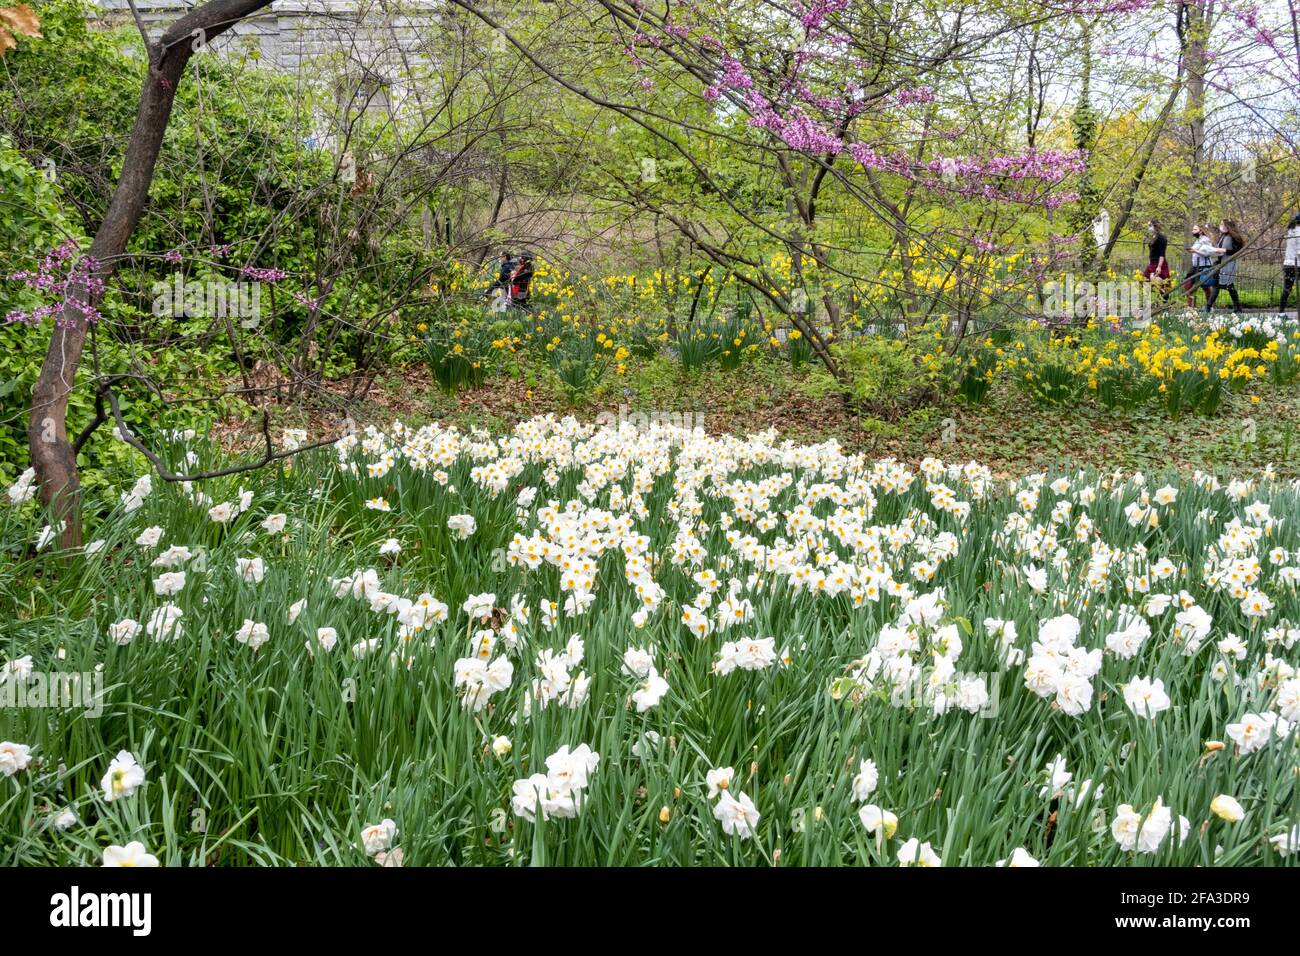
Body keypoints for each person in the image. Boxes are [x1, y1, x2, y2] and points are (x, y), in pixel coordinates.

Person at [1205, 219, 1245, 314]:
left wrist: (1225, 251)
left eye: (1222, 224)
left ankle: (1237, 308)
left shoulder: (1234, 237)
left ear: (1228, 226)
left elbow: (1236, 251)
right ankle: (1208, 307)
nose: (1221, 226)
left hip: (1229, 264)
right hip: (1220, 263)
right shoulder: (1223, 236)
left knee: (1229, 286)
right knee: (1217, 286)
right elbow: (1221, 249)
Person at [1183, 224, 1216, 309]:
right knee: (1188, 284)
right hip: (1195, 266)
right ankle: (1191, 307)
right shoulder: (1197, 240)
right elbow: (1196, 250)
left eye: (1195, 229)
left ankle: (1210, 306)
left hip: (1204, 266)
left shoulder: (1205, 240)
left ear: (1200, 231)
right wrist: (1191, 250)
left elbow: (1208, 253)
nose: (1192, 231)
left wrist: (1195, 250)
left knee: (1205, 286)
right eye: (1192, 229)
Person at [1143, 220, 1170, 304]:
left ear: (1155, 226)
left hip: (1158, 264)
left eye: (1150, 225)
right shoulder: (1153, 237)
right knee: (1145, 282)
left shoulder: (1162, 238)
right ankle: (1148, 303)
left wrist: (1159, 266)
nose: (1149, 228)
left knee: (1161, 285)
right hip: (1152, 263)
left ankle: (1163, 304)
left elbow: (1162, 254)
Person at [1281, 213, 1300, 312]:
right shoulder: (1299, 231)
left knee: (1287, 289)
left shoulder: (1290, 230)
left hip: (1288, 263)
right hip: (1297, 264)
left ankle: (1281, 313)